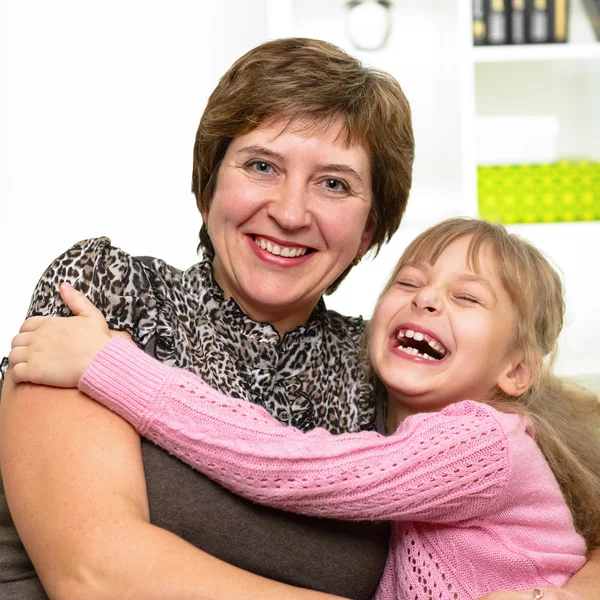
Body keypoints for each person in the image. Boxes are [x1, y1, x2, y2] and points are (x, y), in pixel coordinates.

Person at [0, 37, 412, 600]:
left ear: (368, 230)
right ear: (208, 185)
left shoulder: (389, 368)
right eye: (262, 166)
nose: (291, 213)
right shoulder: (107, 294)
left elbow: (546, 506)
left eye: (334, 183)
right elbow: (94, 573)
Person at [9, 218, 600, 600]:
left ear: (517, 371)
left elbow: (293, 466)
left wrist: (114, 368)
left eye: (467, 298)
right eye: (410, 282)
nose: (426, 297)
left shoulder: (484, 443)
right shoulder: (403, 427)